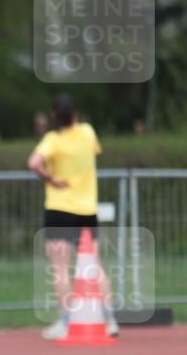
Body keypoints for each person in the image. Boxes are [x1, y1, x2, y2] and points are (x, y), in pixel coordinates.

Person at [27, 93, 119, 340]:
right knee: (95, 265)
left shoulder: (53, 140)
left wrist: (51, 179)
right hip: (87, 209)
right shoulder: (88, 132)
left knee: (60, 268)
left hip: (60, 208)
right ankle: (109, 319)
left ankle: (64, 322)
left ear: (54, 115)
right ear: (76, 114)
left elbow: (33, 162)